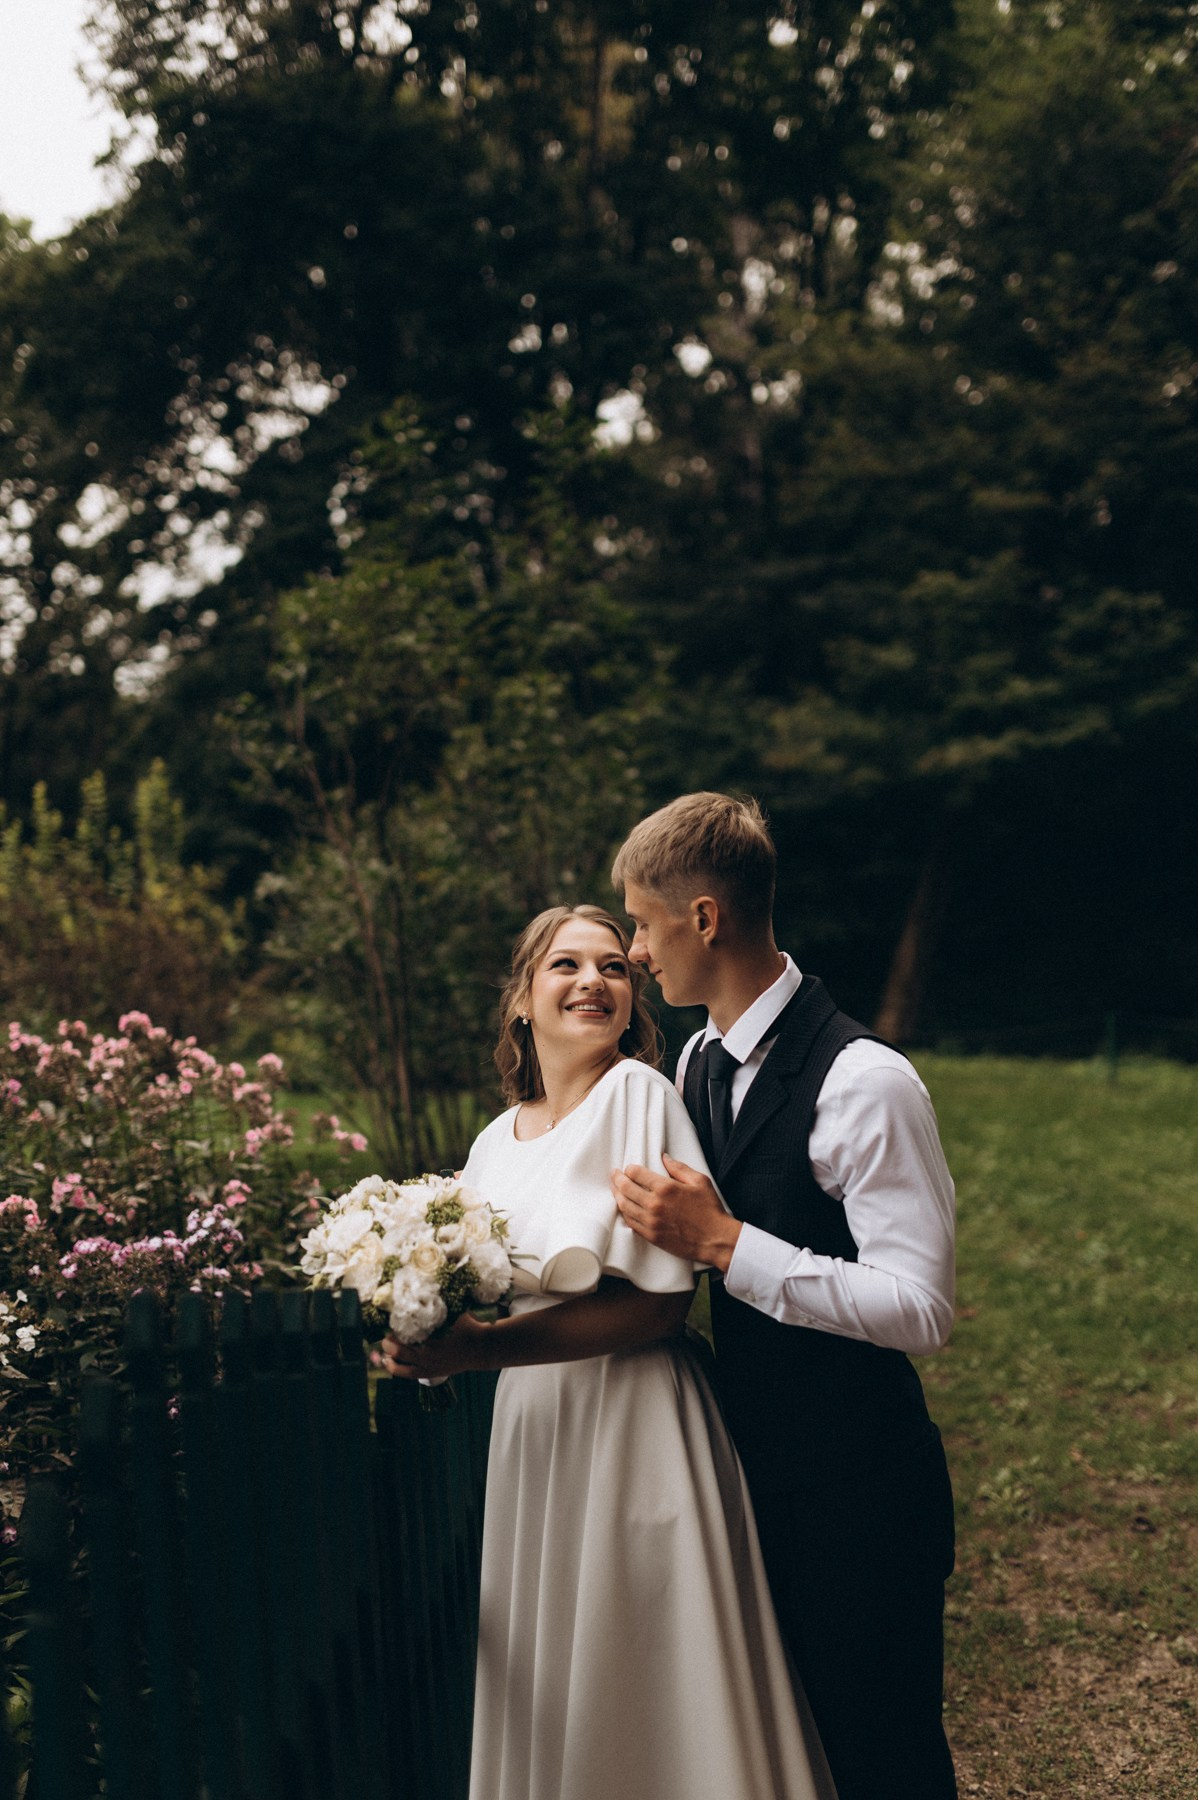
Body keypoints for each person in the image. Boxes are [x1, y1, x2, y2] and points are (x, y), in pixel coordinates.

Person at [383, 903, 837, 1800]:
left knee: (645, 1663)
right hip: (534, 1426)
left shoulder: (638, 1097)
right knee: (557, 1675)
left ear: (632, 1001)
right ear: (522, 999)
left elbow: (660, 1307)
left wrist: (481, 1352)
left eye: (614, 967)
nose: (593, 980)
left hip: (633, 1418)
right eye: (565, 965)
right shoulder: (493, 1142)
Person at [610, 793, 959, 1800]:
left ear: (704, 918)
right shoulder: (693, 1062)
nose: (635, 951)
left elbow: (922, 1307)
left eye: (643, 924)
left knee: (882, 1759)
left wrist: (726, 1245)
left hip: (861, 1497)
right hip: (747, 1479)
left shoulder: (864, 1081)